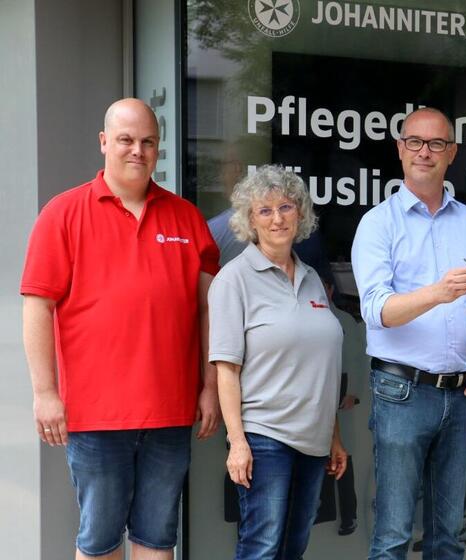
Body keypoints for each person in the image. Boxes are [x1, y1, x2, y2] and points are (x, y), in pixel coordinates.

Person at [20, 98, 221, 560]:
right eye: (127, 140)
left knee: (157, 539)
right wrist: (45, 392)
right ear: (104, 142)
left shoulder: (186, 217)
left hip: (170, 411)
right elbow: (36, 306)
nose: (138, 150)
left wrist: (209, 385)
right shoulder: (63, 213)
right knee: (100, 541)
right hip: (96, 414)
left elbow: (210, 310)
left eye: (148, 142)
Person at [351, 107, 466, 560]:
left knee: (449, 537)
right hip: (402, 390)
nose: (425, 152)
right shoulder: (378, 223)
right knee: (394, 535)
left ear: (451, 153)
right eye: (415, 142)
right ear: (399, 149)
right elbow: (376, 310)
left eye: (437, 144)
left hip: (462, 395)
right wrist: (437, 293)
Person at [209, 164, 348, 559]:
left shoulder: (311, 279)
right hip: (264, 437)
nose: (277, 218)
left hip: (314, 441)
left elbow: (319, 368)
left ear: (300, 214)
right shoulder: (233, 280)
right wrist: (237, 443)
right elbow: (227, 369)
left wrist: (334, 435)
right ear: (249, 220)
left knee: (293, 548)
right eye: (264, 210)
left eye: (286, 207)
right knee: (262, 547)